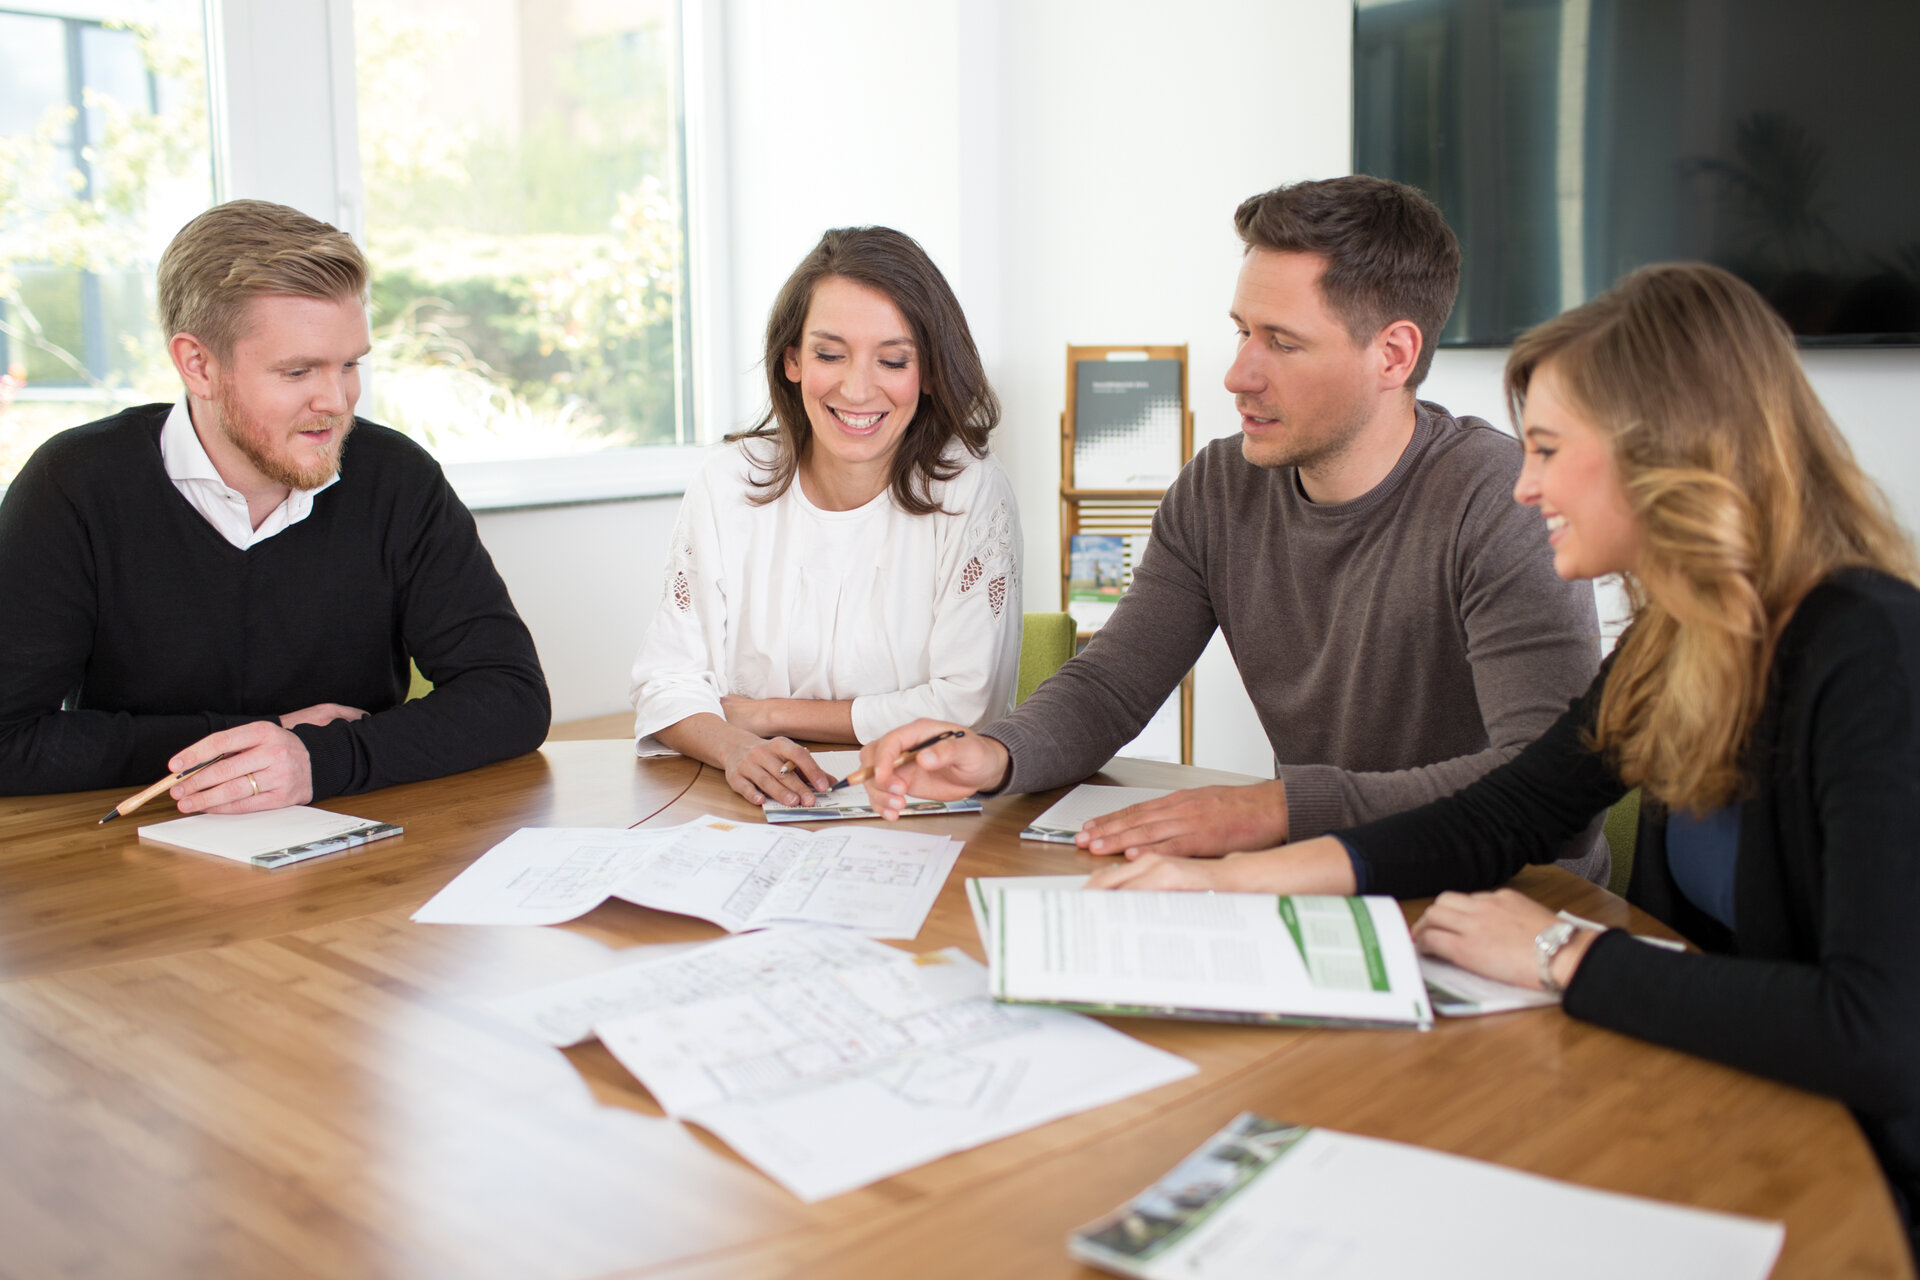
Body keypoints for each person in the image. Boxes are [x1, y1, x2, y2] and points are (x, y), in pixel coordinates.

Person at [1091, 262, 1920, 1255]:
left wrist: (1557, 951)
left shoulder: (1868, 650)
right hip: (1708, 1093)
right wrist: (1237, 882)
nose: (1525, 485)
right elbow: (1503, 813)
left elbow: (1878, 1030)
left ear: (1667, 456)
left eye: (1550, 450)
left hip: (1853, 1180)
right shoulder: (1675, 646)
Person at [864, 176, 1607, 879]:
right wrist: (995, 753)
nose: (1238, 374)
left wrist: (1279, 808)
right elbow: (1113, 684)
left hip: (1508, 896)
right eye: (1242, 331)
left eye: (1282, 343)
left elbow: (1545, 781)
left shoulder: (1506, 501)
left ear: (1393, 354)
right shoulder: (1220, 489)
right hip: (1323, 881)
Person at [0, 200, 550, 810]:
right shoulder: (75, 484)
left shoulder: (397, 478)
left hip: (363, 847)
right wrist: (269, 742)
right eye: (297, 372)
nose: (337, 401)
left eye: (349, 365)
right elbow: (8, 739)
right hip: (142, 856)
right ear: (198, 365)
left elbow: (512, 697)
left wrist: (322, 760)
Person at [629, 226, 1020, 806]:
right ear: (792, 360)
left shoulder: (969, 491)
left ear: (931, 373)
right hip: (746, 805)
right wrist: (735, 745)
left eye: (892, 360)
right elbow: (666, 680)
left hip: (916, 806)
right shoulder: (727, 482)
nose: (857, 388)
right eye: (829, 354)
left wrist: (765, 714)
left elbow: (966, 706)